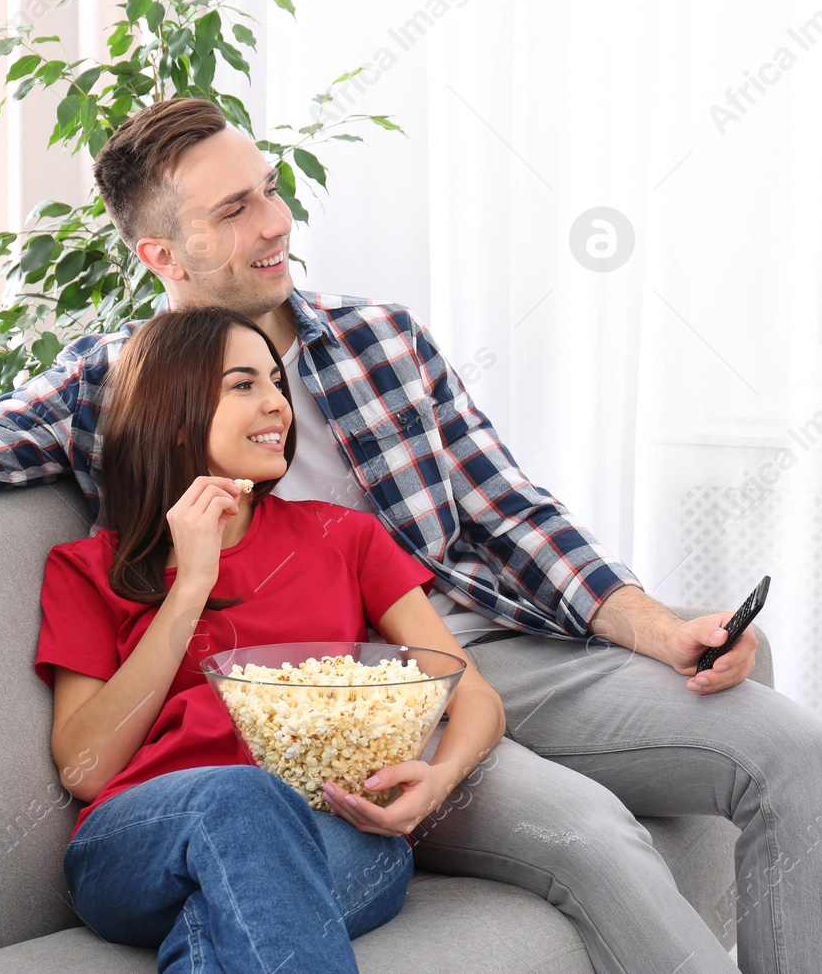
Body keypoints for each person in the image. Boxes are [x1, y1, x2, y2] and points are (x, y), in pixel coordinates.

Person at [0, 97, 822, 972]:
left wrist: (660, 626)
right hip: (347, 706)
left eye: (268, 187)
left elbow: (510, 512)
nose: (275, 220)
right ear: (163, 251)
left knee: (789, 746)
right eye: (235, 207)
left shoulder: (379, 340)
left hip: (480, 646)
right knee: (584, 831)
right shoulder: (116, 385)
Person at [37, 304, 504, 972]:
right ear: (171, 416)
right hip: (141, 841)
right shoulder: (87, 567)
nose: (278, 404)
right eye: (243, 384)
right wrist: (189, 585)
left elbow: (474, 695)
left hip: (334, 832)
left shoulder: (345, 538)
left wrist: (439, 778)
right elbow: (86, 769)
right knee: (243, 797)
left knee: (224, 923)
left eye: (277, 382)